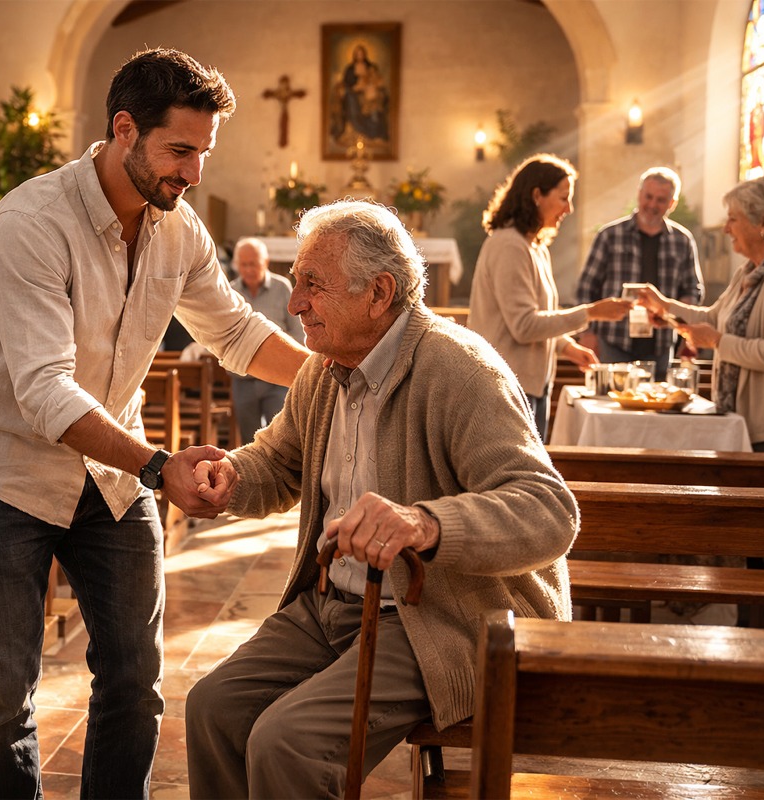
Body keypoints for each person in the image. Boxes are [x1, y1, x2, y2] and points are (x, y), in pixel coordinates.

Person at [0, 47, 310, 798]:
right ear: (124, 129)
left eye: (203, 153)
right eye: (179, 150)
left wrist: (339, 377)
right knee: (4, 698)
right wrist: (158, 466)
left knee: (135, 681)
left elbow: (235, 334)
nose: (193, 173)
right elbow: (46, 392)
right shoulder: (30, 222)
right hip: (3, 474)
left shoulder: (178, 228)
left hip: (111, 476)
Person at [184, 200, 578, 797]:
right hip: (331, 606)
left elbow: (549, 510)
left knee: (287, 742)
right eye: (296, 284)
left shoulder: (459, 368)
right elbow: (280, 461)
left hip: (437, 616)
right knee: (212, 708)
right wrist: (231, 477)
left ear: (379, 292)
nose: (294, 306)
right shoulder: (323, 368)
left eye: (313, 286)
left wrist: (424, 524)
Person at [467, 153, 631, 440]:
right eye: (564, 197)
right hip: (504, 387)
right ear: (537, 195)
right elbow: (525, 326)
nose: (569, 208)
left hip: (531, 385)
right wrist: (591, 312)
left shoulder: (535, 248)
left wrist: (566, 348)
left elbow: (539, 319)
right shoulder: (509, 247)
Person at [637, 176, 764, 453]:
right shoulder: (748, 270)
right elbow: (713, 318)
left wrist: (718, 342)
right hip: (739, 421)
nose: (725, 229)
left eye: (733, 219)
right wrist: (666, 308)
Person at [576, 167, 703, 379]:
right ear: (639, 194)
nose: (652, 205)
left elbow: (693, 289)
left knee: (656, 407)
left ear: (672, 203)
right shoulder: (610, 236)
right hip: (613, 341)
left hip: (660, 345)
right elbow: (586, 288)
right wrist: (587, 333)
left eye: (661, 200)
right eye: (648, 197)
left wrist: (683, 326)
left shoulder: (683, 240)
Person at [229, 237, 305, 443]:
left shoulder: (282, 288)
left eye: (253, 263)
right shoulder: (230, 291)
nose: (248, 269)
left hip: (277, 379)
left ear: (265, 262)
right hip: (243, 378)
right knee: (248, 441)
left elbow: (299, 332)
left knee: (280, 438)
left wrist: (276, 355)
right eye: (243, 264)